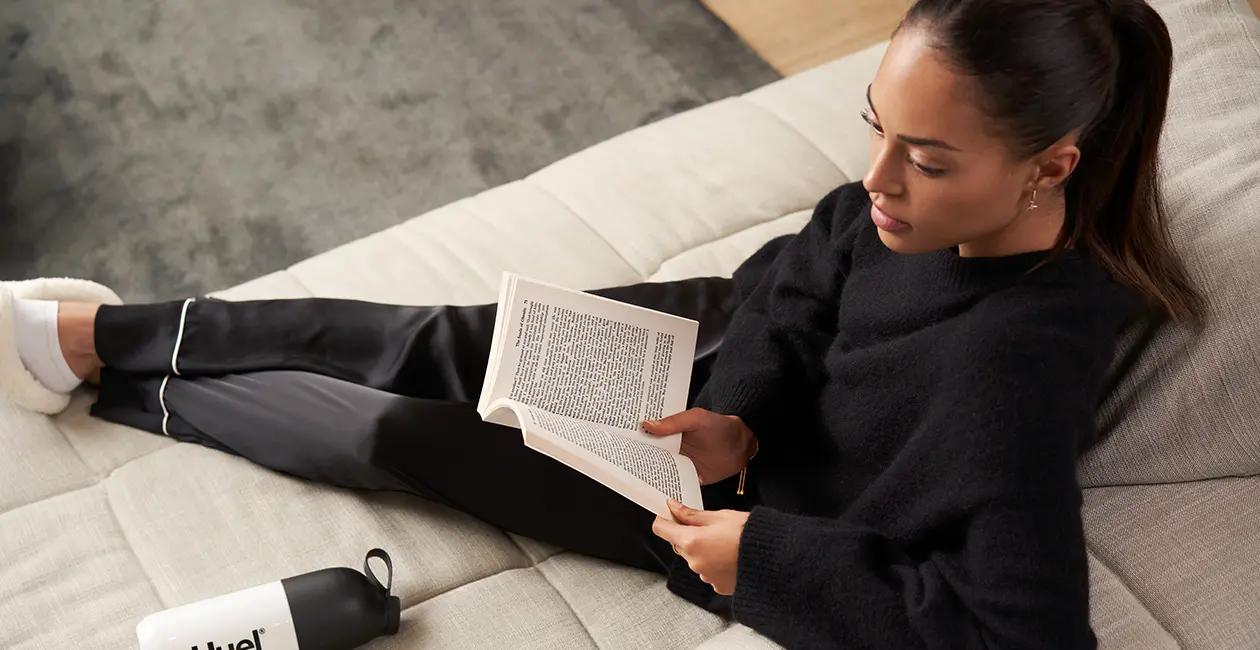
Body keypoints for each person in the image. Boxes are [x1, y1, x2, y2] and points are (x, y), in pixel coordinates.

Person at [0, 0, 1208, 646]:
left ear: (1050, 164)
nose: (877, 176)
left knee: (390, 432)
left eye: (926, 158)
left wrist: (760, 558)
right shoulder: (895, 209)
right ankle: (97, 337)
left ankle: (133, 389)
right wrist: (738, 407)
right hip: (717, 371)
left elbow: (1023, 629)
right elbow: (805, 273)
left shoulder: (1015, 367)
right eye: (874, 125)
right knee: (429, 337)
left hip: (729, 513)